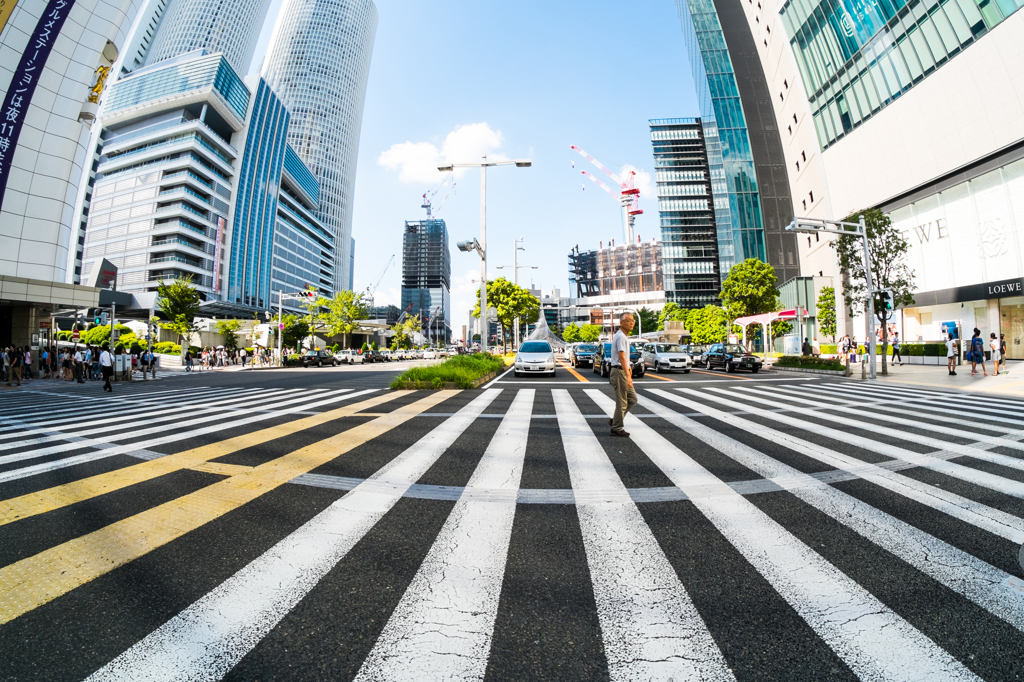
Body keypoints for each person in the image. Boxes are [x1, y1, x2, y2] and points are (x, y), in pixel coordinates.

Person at [609, 312, 638, 438]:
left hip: (622, 370)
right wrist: (628, 376)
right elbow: (621, 357)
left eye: (633, 320)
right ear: (621, 323)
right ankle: (617, 427)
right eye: (628, 320)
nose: (632, 322)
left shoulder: (623, 336)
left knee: (632, 399)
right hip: (619, 371)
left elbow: (624, 357)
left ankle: (616, 420)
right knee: (622, 402)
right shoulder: (621, 336)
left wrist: (629, 369)